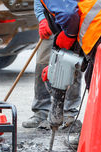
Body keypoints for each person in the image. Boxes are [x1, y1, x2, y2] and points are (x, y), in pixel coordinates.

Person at [22, 0, 82, 129]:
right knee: (42, 63)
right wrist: (43, 19)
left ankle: (68, 113)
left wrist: (71, 32)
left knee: (71, 64)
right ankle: (41, 112)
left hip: (74, 21)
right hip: (52, 21)